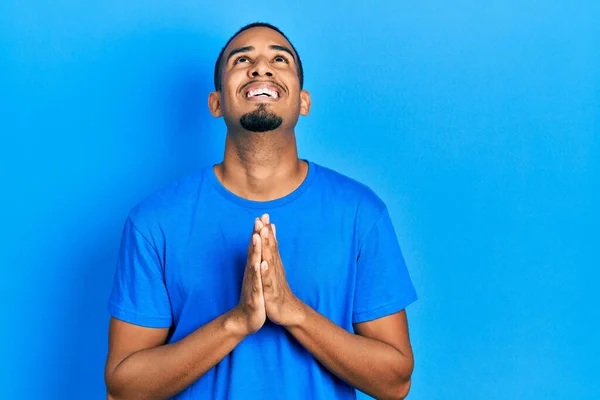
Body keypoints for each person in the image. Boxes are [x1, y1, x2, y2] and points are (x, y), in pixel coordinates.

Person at [104, 22, 418, 400]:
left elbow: (395, 382)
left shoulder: (361, 214)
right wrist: (236, 322)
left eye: (279, 59)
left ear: (303, 101)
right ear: (216, 102)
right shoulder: (153, 222)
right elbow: (123, 389)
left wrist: (292, 311)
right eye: (243, 60)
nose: (261, 68)